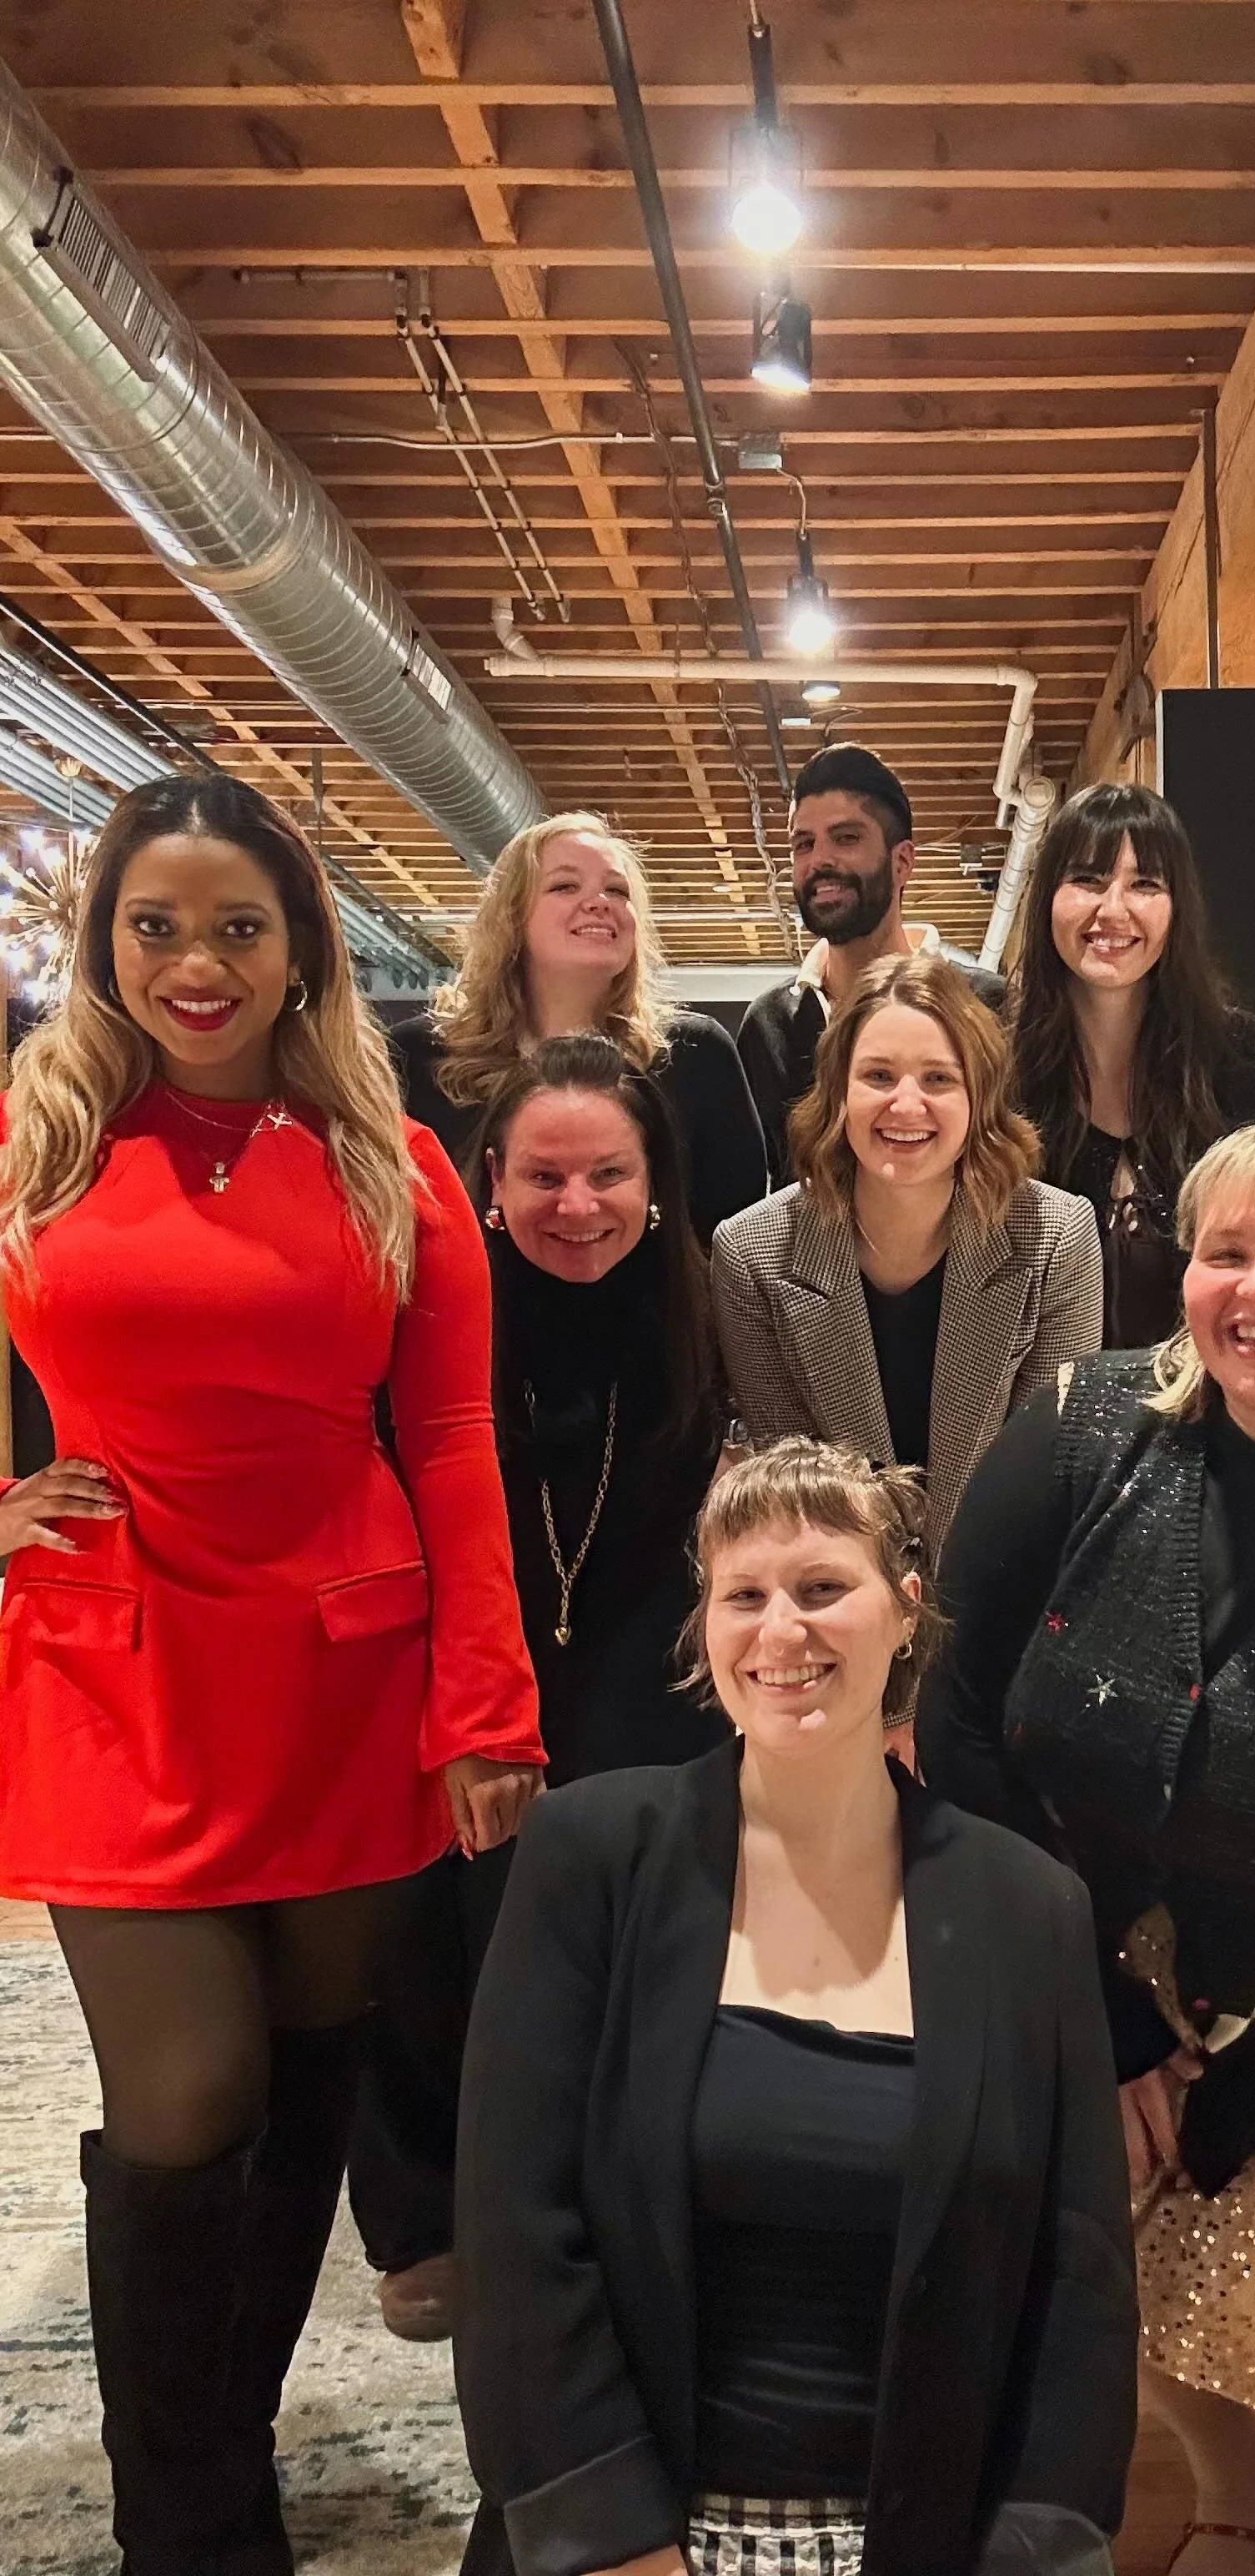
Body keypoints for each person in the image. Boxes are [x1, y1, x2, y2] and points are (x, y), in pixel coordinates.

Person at [0, 773, 542, 2576]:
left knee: (307, 2084)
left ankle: (221, 2468)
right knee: (190, 2091)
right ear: (103, 942)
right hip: (115, 1666)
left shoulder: (392, 1158)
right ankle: (187, 2526)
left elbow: (452, 1438)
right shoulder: (37, 1135)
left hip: (339, 1668)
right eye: (155, 925)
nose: (198, 963)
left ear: (300, 943)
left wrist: (486, 1703)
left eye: (238, 925)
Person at [454, 1436, 1137, 2576]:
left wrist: (1035, 2551)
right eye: (744, 1597)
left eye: (822, 1588)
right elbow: (514, 2230)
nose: (781, 1632)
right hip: (631, 2540)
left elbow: (1081, 2283)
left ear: (906, 1612)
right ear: (704, 1626)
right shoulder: (589, 1854)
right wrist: (615, 2544)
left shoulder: (1029, 1909)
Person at [916, 1107, 1255, 2576]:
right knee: (1138, 2289)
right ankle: (1223, 2479)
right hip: (1086, 1952)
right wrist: (1106, 2016)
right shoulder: (1080, 1431)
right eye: (1227, 1252)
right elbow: (955, 1713)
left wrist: (1253, 2085)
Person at [349, 1034, 731, 2340]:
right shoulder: (427, 1303)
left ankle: (597, 2179)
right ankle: (426, 2214)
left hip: (637, 1640)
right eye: (544, 1178)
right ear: (491, 1186)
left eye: (609, 1175)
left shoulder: (705, 1310)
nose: (578, 1207)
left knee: (620, 1863)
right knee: (426, 1894)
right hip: (450, 1630)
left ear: (656, 1183)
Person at [712, 951, 1102, 1563]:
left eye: (939, 1079)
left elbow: (1049, 1465)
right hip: (839, 1575)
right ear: (838, 1092)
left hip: (1003, 1576)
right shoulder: (750, 1253)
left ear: (980, 1096)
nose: (906, 1104)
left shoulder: (1057, 1235)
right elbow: (793, 1483)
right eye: (879, 1076)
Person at [1009, 781, 1255, 1348]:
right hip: (1037, 1397)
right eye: (1088, 880)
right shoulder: (996, 1073)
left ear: (1178, 908)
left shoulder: (1254, 1066)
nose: (1113, 909)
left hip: (1221, 1389)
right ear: (1048, 896)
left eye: (1145, 884)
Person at [392, 808, 765, 1244]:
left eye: (617, 890)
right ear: (511, 917)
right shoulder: (414, 1057)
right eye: (565, 886)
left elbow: (734, 1237)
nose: (599, 902)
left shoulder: (698, 1054)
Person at [737, 742, 1007, 1185]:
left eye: (846, 838)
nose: (819, 859)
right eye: (804, 844)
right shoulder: (770, 1024)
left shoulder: (988, 1005)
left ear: (902, 862)